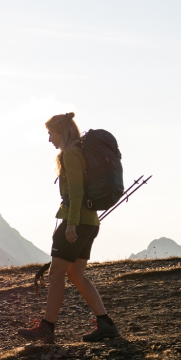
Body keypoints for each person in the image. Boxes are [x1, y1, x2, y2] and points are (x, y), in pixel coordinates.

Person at [18, 113, 121, 344]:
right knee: (75, 274)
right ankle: (106, 324)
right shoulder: (78, 151)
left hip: (77, 222)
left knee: (56, 275)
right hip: (90, 222)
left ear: (61, 132)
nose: (49, 139)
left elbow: (76, 192)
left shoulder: (71, 153)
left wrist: (71, 224)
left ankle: (47, 327)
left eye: (50, 133)